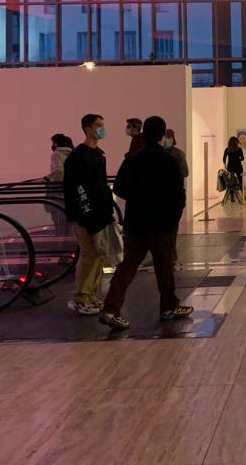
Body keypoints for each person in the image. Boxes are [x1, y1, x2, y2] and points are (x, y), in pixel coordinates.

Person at [99, 116, 194, 330]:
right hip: (161, 224)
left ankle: (111, 308)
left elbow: (119, 188)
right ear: (162, 134)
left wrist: (137, 198)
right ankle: (168, 307)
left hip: (136, 223)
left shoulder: (133, 159)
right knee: (164, 266)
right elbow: (178, 194)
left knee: (127, 266)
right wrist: (173, 217)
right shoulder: (168, 160)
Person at [62, 114, 117, 315]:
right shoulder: (78, 156)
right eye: (98, 125)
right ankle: (80, 297)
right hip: (85, 216)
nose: (102, 129)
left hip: (100, 214)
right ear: (88, 129)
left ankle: (90, 294)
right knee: (89, 255)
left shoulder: (99, 154)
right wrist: (85, 212)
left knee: (98, 255)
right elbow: (76, 187)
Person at [163, 128, 188, 262]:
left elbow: (185, 172)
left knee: (172, 227)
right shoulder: (159, 153)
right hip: (164, 196)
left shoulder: (178, 154)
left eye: (168, 137)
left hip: (174, 195)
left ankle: (171, 252)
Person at [222, 136, 245, 204]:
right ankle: (243, 196)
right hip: (238, 167)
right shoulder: (239, 149)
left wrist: (225, 165)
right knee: (240, 181)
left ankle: (232, 197)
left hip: (230, 167)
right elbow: (242, 158)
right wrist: (238, 159)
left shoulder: (227, 149)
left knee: (231, 183)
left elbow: (224, 159)